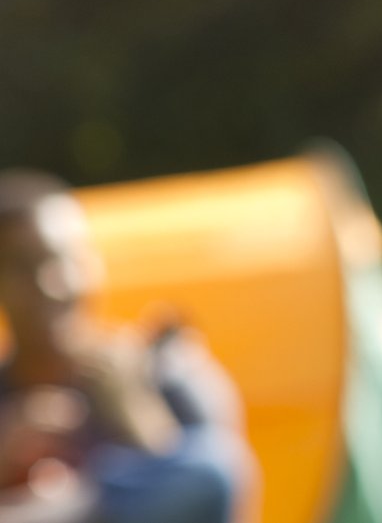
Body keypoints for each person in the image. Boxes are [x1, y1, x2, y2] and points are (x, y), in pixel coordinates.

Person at [0, 172, 254, 523]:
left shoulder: (165, 368)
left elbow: (218, 490)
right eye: (22, 269)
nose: (48, 286)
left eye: (60, 261)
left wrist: (133, 410)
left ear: (91, 264)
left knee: (211, 466)